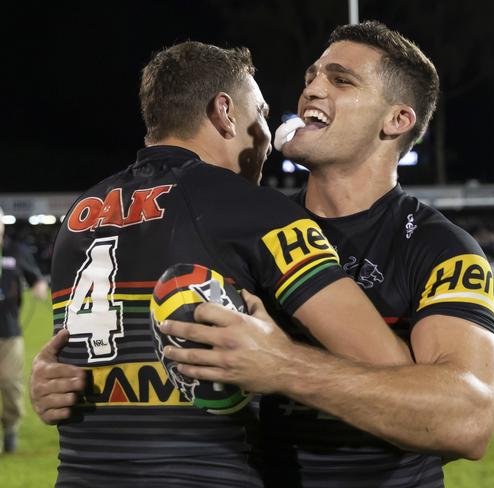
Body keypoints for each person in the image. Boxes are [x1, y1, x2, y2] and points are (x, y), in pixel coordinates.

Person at [29, 41, 410, 487]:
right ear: (224, 112)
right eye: (261, 115)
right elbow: (389, 373)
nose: (266, 135)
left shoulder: (79, 215)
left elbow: (68, 369)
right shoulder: (251, 209)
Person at [161, 22, 494, 488]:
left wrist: (283, 366)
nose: (312, 91)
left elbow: (468, 420)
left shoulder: (438, 248)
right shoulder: (243, 226)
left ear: (397, 120)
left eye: (341, 80)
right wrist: (70, 380)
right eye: (312, 77)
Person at [0, 207, 48, 453]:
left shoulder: (15, 252)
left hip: (9, 331)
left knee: (9, 382)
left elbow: (35, 278)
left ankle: (10, 427)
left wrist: (39, 286)